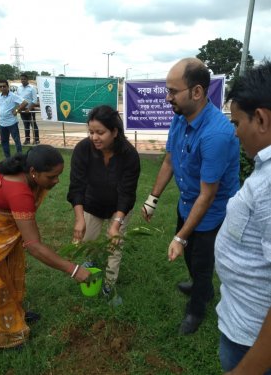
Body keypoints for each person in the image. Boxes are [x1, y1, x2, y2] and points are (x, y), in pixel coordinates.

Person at [142, 58, 239, 335]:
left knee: (201, 261)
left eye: (173, 91)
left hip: (211, 213)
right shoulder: (179, 119)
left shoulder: (216, 134)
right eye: (167, 90)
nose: (167, 97)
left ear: (197, 92)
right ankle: (200, 286)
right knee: (190, 258)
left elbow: (208, 196)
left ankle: (198, 305)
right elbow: (169, 162)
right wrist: (153, 199)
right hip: (187, 204)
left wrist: (180, 237)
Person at [0, 145, 90, 349]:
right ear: (33, 172)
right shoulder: (19, 193)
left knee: (9, 268)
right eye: (52, 177)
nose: (57, 181)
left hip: (2, 224)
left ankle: (15, 312)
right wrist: (74, 270)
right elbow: (34, 246)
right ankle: (4, 334)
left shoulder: (28, 176)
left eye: (59, 175)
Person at [215, 60, 271, 374]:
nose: (235, 134)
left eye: (237, 123)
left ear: (260, 118)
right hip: (243, 322)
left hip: (253, 343)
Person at [67, 105, 140, 296]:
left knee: (114, 245)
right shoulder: (83, 149)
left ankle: (109, 284)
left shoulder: (129, 155)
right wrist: (79, 218)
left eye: (100, 132)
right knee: (87, 240)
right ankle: (90, 260)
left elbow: (127, 193)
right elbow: (77, 186)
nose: (94, 137)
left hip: (119, 208)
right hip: (92, 204)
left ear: (114, 132)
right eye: (91, 132)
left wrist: (116, 224)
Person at [0, 79, 28, 158]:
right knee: (4, 142)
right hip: (2, 123)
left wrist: (17, 110)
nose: (2, 88)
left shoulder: (13, 96)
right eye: (0, 86)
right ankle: (7, 159)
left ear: (8, 86)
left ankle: (20, 158)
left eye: (4, 86)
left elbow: (25, 102)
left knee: (17, 141)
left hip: (12, 123)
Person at [17, 73, 40, 145]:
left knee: (33, 124)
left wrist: (29, 108)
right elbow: (17, 99)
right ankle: (27, 140)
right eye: (21, 79)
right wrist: (19, 108)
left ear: (27, 80)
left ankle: (36, 140)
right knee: (25, 125)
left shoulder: (32, 88)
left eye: (24, 79)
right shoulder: (19, 88)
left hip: (30, 110)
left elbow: (34, 100)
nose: (23, 80)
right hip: (22, 110)